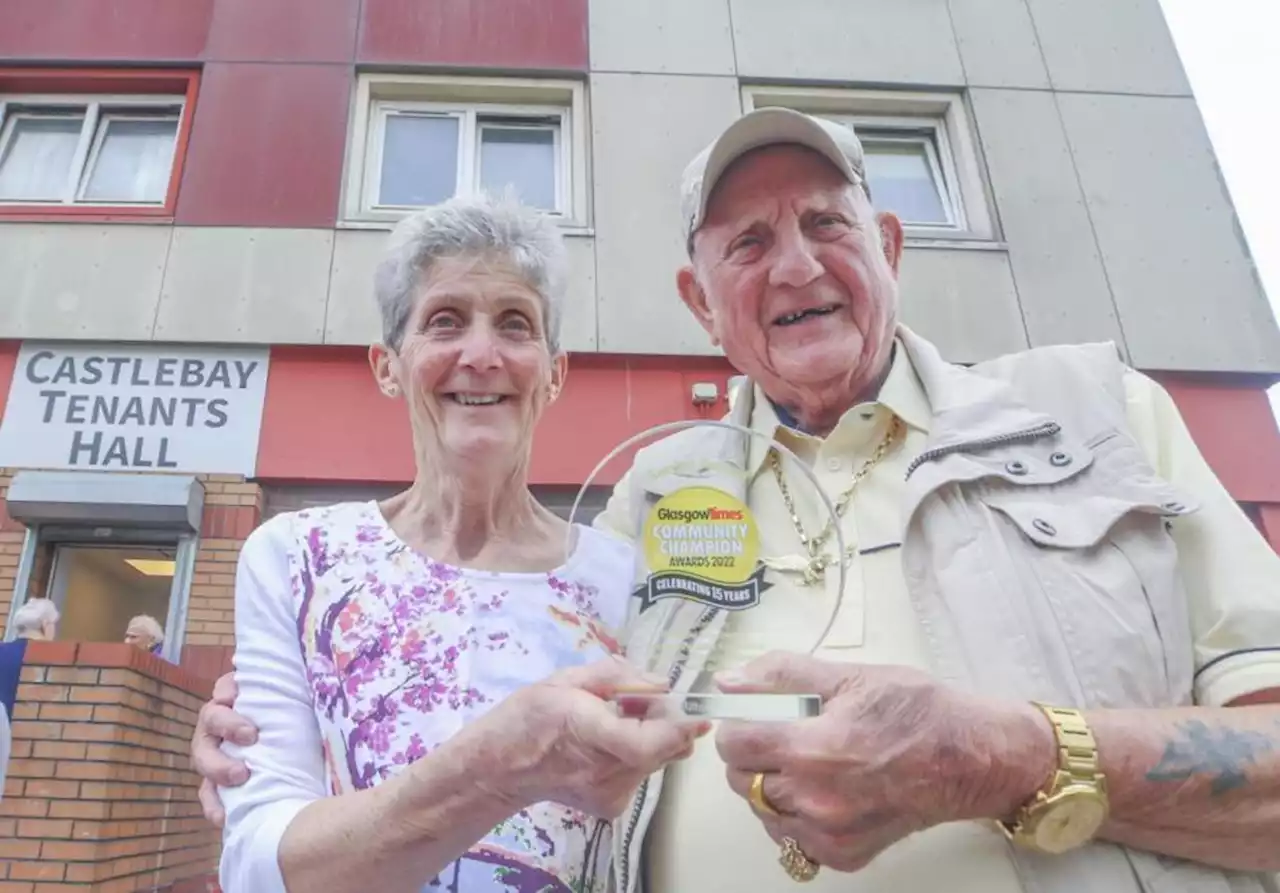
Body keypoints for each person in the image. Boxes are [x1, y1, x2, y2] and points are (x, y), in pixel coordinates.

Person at [193, 109, 1280, 893]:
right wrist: (279, 753)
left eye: (825, 223)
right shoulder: (656, 496)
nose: (793, 261)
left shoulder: (1088, 413)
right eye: (748, 242)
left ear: (887, 246)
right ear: (700, 299)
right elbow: (501, 682)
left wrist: (1004, 753)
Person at [212, 195, 707, 893]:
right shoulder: (300, 557)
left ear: (554, 372)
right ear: (389, 365)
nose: (481, 354)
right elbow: (259, 865)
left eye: (515, 324)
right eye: (445, 321)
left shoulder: (621, 578)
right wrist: (497, 765)